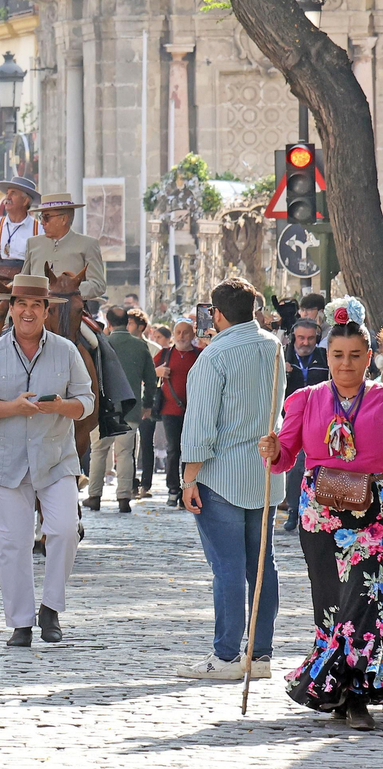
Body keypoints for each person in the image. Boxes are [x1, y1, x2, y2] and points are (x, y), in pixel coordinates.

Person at [260, 307, 383, 730]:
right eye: (338, 354)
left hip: (373, 515)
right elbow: (285, 457)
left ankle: (357, 694)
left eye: (355, 355)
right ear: (327, 355)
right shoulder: (305, 399)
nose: (346, 363)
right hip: (320, 515)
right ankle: (338, 690)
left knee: (363, 599)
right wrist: (273, 449)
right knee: (330, 603)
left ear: (369, 357)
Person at [0, 274, 94, 647]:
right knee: (13, 543)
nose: (28, 311)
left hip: (56, 458)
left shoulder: (67, 351)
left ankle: (50, 607)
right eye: (21, 303)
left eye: (36, 305)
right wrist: (11, 408)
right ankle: (21, 624)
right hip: (7, 463)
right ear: (11, 307)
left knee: (65, 530)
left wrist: (62, 406)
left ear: (46, 310)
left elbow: (86, 401)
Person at [176, 277, 283, 681]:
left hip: (221, 474)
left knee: (228, 568)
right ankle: (260, 655)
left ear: (216, 314)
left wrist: (188, 478)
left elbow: (200, 425)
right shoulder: (273, 346)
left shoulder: (215, 356)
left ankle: (225, 656)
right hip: (264, 470)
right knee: (262, 567)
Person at [22, 193, 135, 434]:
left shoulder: (87, 244)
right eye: (42, 218)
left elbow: (98, 284)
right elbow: (25, 279)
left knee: (98, 344)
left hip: (72, 312)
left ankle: (108, 407)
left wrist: (69, 292)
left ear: (64, 218)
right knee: (2, 336)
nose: (42, 222)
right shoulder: (33, 244)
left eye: (46, 217)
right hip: (36, 312)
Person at [85, 306, 157, 512]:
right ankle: (124, 497)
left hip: (104, 408)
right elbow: (151, 379)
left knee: (99, 451)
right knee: (126, 453)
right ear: (127, 322)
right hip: (130, 408)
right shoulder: (140, 345)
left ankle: (94, 495)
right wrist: (147, 404)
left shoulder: (101, 344)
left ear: (108, 323)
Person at [282, 317, 330, 531]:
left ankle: (317, 509)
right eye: (301, 338)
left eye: (310, 338)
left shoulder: (323, 357)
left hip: (320, 420)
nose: (305, 342)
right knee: (295, 466)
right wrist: (283, 373)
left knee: (315, 465)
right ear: (294, 337)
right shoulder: (284, 356)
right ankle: (294, 510)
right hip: (291, 419)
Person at [156, 319, 202, 506]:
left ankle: (187, 488)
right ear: (173, 335)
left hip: (194, 412)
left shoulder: (201, 355)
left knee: (190, 451)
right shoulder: (165, 354)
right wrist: (157, 371)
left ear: (193, 335)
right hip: (170, 410)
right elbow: (147, 374)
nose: (182, 336)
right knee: (173, 449)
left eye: (186, 332)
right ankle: (173, 489)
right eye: (178, 332)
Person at [125, 309, 162, 497]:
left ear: (140, 327)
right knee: (129, 444)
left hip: (148, 400)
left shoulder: (154, 349)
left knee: (147, 443)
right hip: (129, 401)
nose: (127, 327)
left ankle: (146, 484)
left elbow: (158, 378)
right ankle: (131, 482)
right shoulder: (123, 348)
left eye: (130, 323)